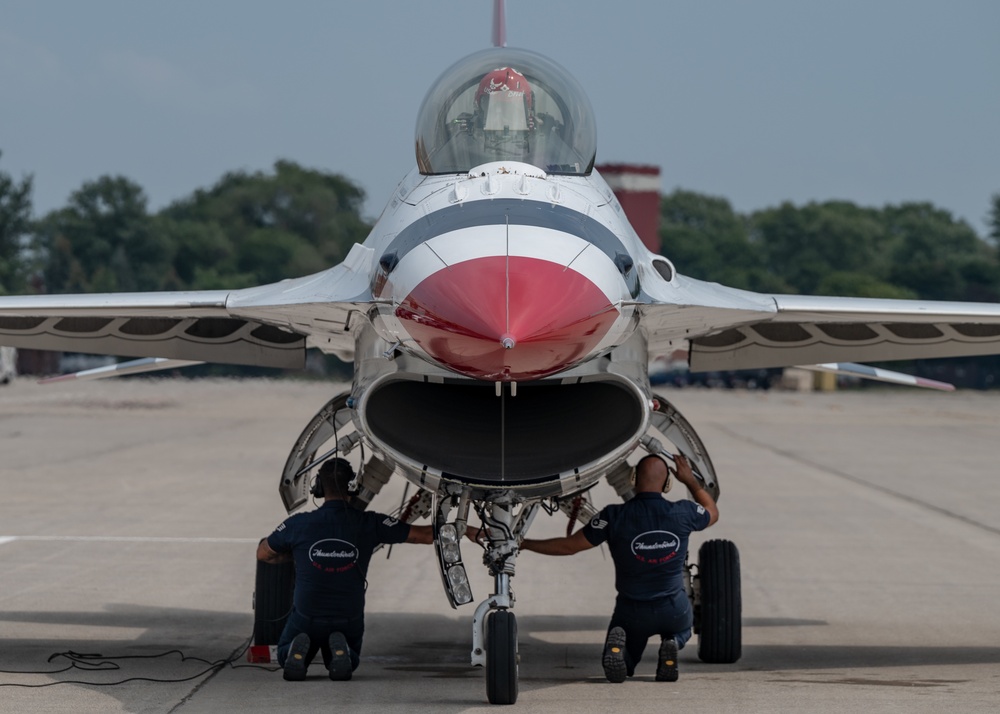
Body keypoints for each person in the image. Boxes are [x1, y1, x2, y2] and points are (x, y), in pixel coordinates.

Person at [517, 453, 718, 683]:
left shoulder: (613, 516)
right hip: (673, 609)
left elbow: (568, 547)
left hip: (632, 611)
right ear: (667, 484)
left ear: (633, 479)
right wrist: (690, 480)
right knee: (683, 626)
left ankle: (622, 655)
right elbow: (712, 512)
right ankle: (672, 644)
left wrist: (525, 543)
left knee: (623, 648)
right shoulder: (684, 512)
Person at [257, 457, 433, 681]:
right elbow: (425, 536)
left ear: (318, 488)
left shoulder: (297, 524)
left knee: (287, 649)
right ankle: (342, 651)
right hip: (347, 615)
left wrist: (296, 554)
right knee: (352, 658)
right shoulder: (370, 522)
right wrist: (468, 530)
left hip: (308, 614)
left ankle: (295, 651)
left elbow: (263, 553)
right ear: (353, 487)